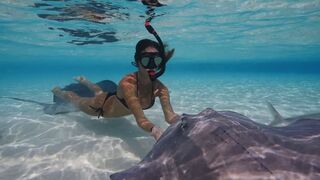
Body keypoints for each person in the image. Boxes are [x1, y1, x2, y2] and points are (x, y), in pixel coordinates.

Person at [52, 21, 179, 141]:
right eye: (146, 60)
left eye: (156, 60)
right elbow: (141, 120)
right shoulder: (128, 84)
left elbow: (170, 117)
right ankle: (59, 91)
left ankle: (85, 81)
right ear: (137, 61)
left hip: (110, 98)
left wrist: (185, 121)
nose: (152, 65)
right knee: (76, 100)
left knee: (100, 92)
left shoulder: (161, 88)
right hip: (100, 107)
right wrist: (155, 130)